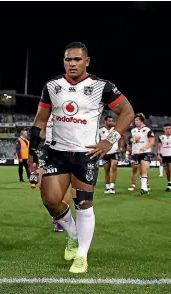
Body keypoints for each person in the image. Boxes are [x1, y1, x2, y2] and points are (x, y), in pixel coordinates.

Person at [28, 42, 134, 273]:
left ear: (87, 61)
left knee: (84, 204)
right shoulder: (52, 86)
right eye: (68, 59)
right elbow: (40, 121)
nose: (72, 63)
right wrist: (32, 154)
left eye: (77, 59)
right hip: (57, 153)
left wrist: (109, 140)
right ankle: (74, 235)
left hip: (87, 154)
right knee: (51, 200)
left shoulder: (101, 86)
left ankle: (82, 256)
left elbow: (127, 112)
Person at [29, 114, 72, 232]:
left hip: (65, 148)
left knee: (65, 186)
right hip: (47, 148)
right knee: (43, 185)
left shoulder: (69, 110)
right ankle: (58, 213)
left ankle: (61, 220)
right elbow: (39, 129)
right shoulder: (48, 111)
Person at [130, 113, 155, 194]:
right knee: (139, 171)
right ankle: (145, 186)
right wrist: (132, 139)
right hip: (135, 153)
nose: (135, 122)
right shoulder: (133, 130)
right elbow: (132, 141)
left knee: (144, 170)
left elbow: (152, 141)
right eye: (135, 120)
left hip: (145, 153)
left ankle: (143, 188)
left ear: (142, 121)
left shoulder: (148, 130)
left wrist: (145, 147)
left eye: (137, 120)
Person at [98, 116, 124, 194]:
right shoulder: (100, 130)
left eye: (112, 121)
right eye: (109, 121)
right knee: (106, 170)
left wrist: (121, 148)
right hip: (105, 153)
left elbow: (122, 138)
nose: (111, 122)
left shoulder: (115, 130)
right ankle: (107, 187)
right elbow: (98, 141)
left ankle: (112, 187)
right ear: (105, 121)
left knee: (114, 167)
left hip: (114, 152)